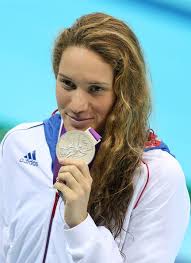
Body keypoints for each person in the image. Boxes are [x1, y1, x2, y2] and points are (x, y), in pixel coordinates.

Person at [0, 12, 190, 263]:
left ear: (125, 93)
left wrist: (80, 225)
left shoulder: (156, 176)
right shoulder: (20, 145)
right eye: (67, 84)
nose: (77, 105)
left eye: (96, 89)